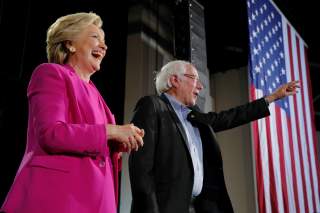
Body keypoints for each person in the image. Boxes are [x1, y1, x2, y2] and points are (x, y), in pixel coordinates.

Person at [0, 12, 144, 213]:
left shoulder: (98, 95)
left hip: (97, 201)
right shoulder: (50, 73)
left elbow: (96, 149)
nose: (104, 46)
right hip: (57, 198)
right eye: (95, 37)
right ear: (70, 44)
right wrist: (110, 132)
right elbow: (51, 134)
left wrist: (116, 146)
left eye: (104, 41)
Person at [128, 60, 299, 213]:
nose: (200, 87)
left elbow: (231, 116)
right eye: (194, 79)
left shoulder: (195, 114)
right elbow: (141, 168)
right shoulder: (152, 106)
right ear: (174, 80)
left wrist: (272, 97)